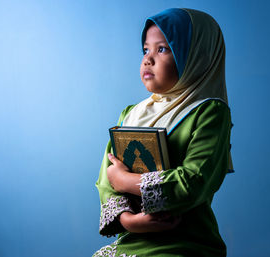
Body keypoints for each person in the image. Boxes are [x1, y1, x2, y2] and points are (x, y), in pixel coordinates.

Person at [93, 8, 233, 257]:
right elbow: (107, 177)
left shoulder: (208, 112)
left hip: (184, 241)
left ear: (195, 55)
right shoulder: (131, 113)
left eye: (163, 49)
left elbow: (194, 181)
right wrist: (127, 221)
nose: (148, 59)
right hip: (133, 238)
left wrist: (126, 181)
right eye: (146, 49)